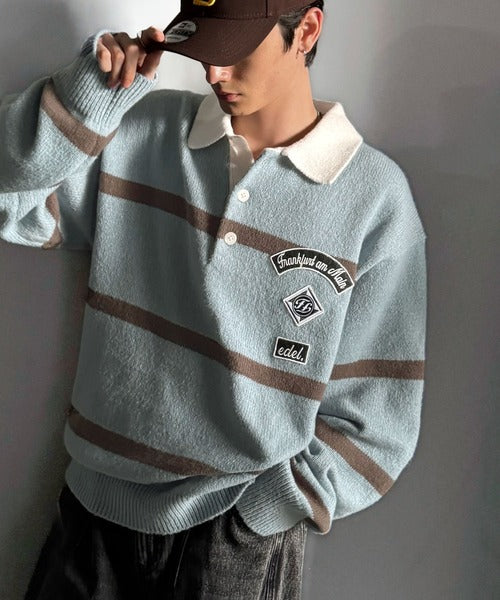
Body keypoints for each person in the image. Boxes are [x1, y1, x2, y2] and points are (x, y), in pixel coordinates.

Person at [0, 0, 427, 598]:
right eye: (205, 50)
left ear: (306, 30)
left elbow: (379, 421)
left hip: (237, 539)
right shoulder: (141, 131)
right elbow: (10, 206)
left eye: (235, 53)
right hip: (94, 511)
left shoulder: (374, 200)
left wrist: (260, 514)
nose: (213, 73)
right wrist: (85, 99)